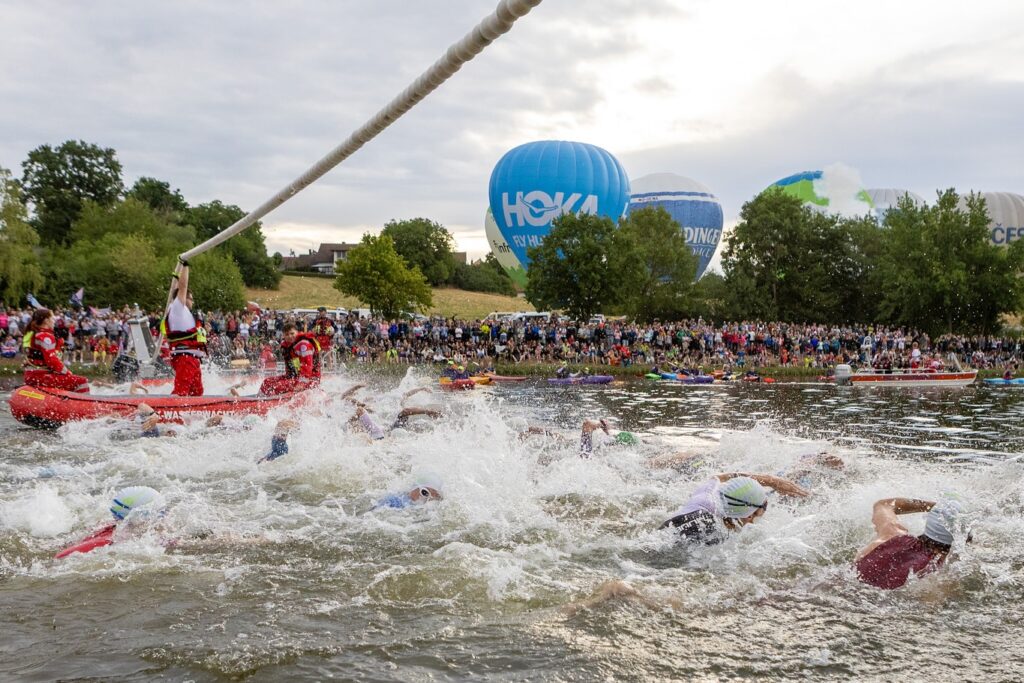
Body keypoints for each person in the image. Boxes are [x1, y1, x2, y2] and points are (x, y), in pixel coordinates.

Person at [854, 495, 969, 590]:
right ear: (963, 538)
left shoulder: (892, 535)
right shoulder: (942, 573)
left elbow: (883, 504)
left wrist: (933, 507)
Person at [660, 473, 809, 544]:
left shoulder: (708, 492)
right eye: (764, 508)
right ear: (750, 515)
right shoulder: (710, 527)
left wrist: (771, 480)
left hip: (666, 531)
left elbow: (721, 477)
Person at [55, 486, 164, 559]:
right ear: (139, 517)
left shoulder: (109, 526)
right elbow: (62, 557)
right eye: (160, 514)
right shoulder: (111, 541)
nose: (162, 519)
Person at [161, 260, 205, 396]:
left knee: (197, 392)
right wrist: (185, 266)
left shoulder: (178, 310)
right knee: (181, 391)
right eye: (190, 299)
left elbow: (174, 288)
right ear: (184, 298)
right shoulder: (177, 308)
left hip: (192, 359)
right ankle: (170, 412)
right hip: (185, 358)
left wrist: (176, 274)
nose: (192, 301)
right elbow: (182, 286)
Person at [22, 308, 89, 393]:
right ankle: (85, 404)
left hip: (33, 375)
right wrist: (68, 373)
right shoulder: (46, 337)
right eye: (52, 318)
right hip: (40, 376)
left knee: (70, 380)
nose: (54, 321)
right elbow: (52, 360)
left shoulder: (37, 333)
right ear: (46, 320)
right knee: (82, 381)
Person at [258, 323, 321, 395]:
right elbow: (295, 367)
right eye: (287, 334)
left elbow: (307, 366)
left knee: (276, 387)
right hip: (295, 377)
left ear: (297, 332)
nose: (290, 336)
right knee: (266, 382)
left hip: (310, 380)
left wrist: (302, 383)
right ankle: (261, 398)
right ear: (284, 336)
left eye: (292, 333)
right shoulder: (290, 347)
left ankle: (271, 401)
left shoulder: (303, 344)